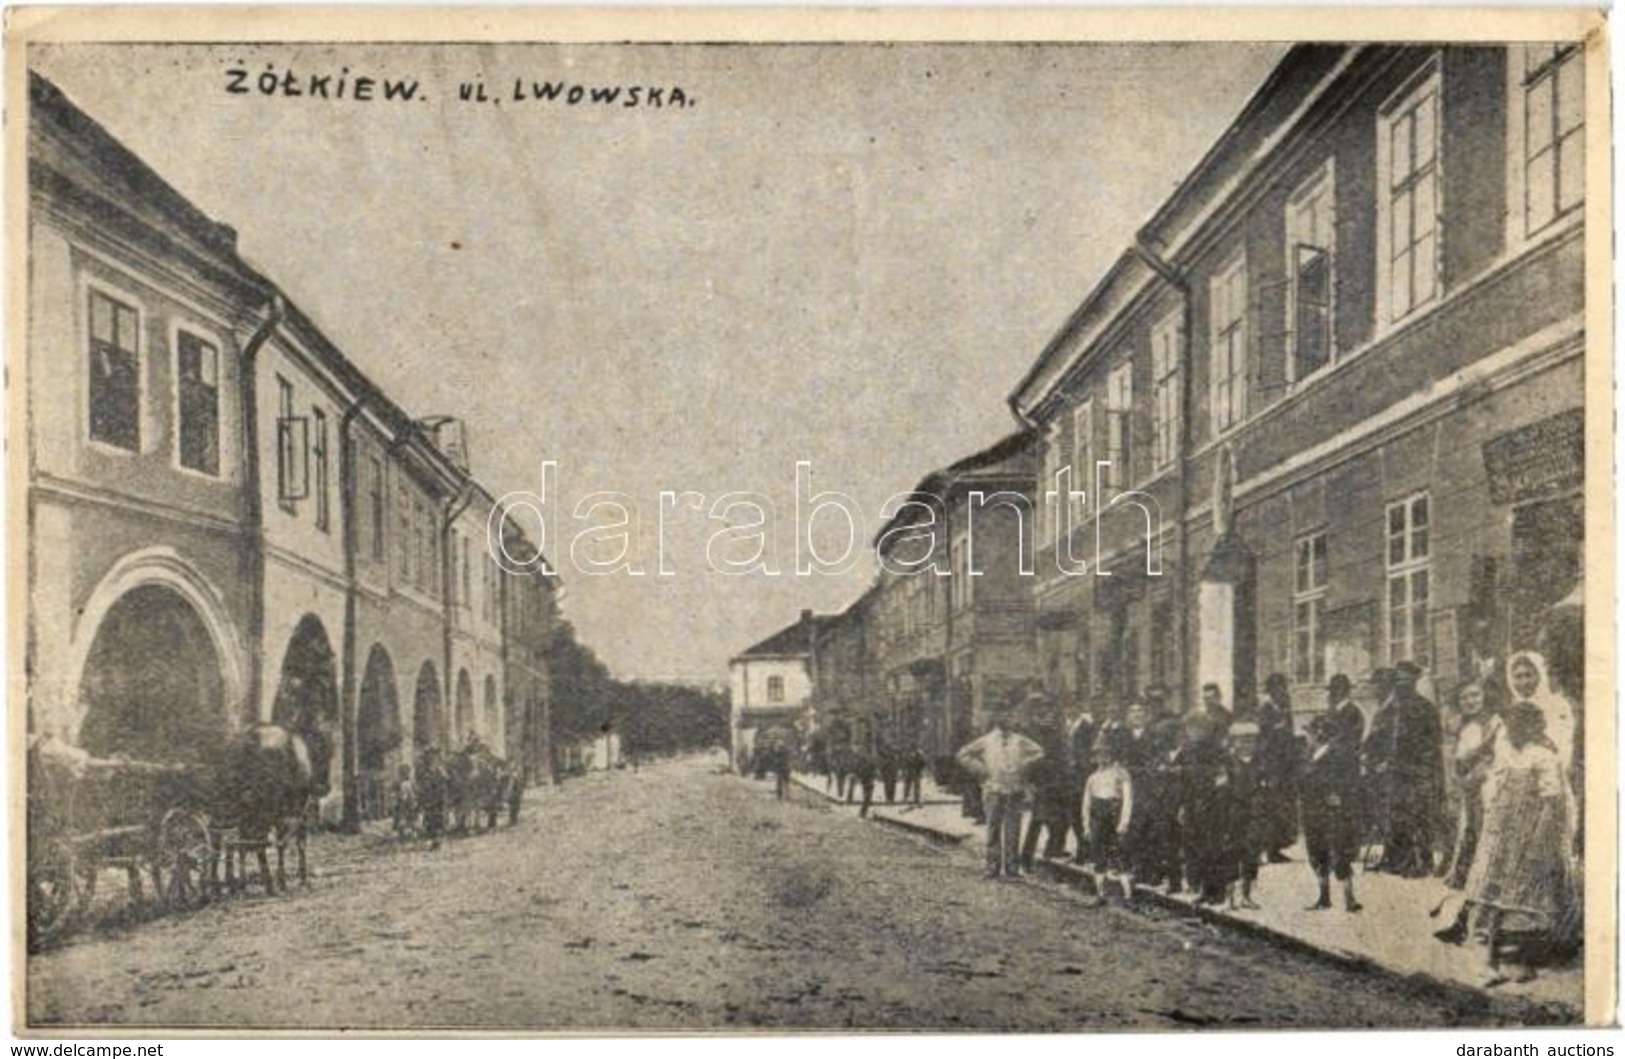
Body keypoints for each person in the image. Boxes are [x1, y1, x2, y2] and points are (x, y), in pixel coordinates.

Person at [1465, 700, 1575, 986]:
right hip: (1500, 832)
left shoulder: (1543, 756)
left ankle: (1525, 963)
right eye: (1509, 724)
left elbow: (1551, 803)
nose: (1512, 730)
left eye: (1518, 725)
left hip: (1528, 834)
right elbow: (1494, 785)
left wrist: (1539, 838)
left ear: (1532, 726)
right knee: (1492, 897)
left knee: (1525, 899)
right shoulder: (1504, 749)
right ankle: (1489, 962)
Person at [956, 699, 1044, 879]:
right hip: (993, 789)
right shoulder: (987, 740)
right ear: (997, 718)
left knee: (1013, 830)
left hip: (1014, 789)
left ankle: (1012, 868)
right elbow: (963, 754)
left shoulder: (1019, 740)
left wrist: (1024, 764)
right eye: (1003, 715)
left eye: (1010, 716)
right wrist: (980, 769)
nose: (1007, 719)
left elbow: (1039, 752)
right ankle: (992, 867)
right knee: (993, 829)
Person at [1301, 712, 1362, 912]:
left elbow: (1347, 782)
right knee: (1317, 853)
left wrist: (1338, 797)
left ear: (1319, 734)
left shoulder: (1336, 755)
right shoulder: (1310, 755)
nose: (1307, 738)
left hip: (1331, 813)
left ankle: (1349, 900)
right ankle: (1324, 897)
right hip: (1312, 812)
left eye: (1309, 733)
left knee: (1339, 853)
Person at [1178, 710, 1233, 905]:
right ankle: (1205, 889)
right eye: (1189, 729)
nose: (1191, 732)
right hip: (1194, 803)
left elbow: (1223, 779)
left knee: (1214, 848)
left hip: (1213, 805)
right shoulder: (1188, 750)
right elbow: (1184, 780)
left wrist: (1214, 798)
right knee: (1198, 848)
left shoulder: (1216, 751)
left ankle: (1217, 892)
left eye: (1194, 728)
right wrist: (1184, 806)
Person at [1020, 691, 1074, 869]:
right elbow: (1026, 759)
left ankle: (1052, 848)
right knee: (1039, 819)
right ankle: (1026, 857)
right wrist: (1028, 783)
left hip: (1057, 779)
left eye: (1049, 709)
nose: (1048, 713)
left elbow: (1060, 754)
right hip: (1040, 780)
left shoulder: (1054, 731)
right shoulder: (1029, 732)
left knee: (1057, 817)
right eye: (1043, 709)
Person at [1082, 727, 1136, 903]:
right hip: (1098, 815)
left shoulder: (1121, 773)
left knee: (1119, 853)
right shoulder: (1092, 777)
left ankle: (1128, 896)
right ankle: (1100, 893)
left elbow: (1127, 799)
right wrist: (1086, 824)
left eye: (1106, 753)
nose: (1102, 757)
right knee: (1099, 854)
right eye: (1099, 754)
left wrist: (1123, 823)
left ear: (1113, 754)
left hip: (1114, 812)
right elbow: (1087, 802)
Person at [1256, 673, 1300, 863]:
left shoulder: (1284, 708)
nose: (1284, 691)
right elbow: (1262, 738)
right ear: (1273, 690)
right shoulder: (1266, 709)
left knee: (1284, 805)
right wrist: (1277, 730)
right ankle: (1271, 849)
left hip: (1285, 765)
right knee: (1273, 805)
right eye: (1281, 688)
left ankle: (1279, 846)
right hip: (1272, 764)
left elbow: (1289, 734)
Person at [1224, 721, 1268, 910]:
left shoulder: (1261, 764)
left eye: (1250, 740)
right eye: (1241, 740)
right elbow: (1221, 791)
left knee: (1251, 855)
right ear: (1233, 742)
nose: (1246, 744)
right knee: (1231, 854)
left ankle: (1247, 895)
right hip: (1232, 814)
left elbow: (1267, 788)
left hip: (1255, 815)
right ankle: (1229, 897)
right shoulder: (1226, 763)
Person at [416, 746, 448, 851]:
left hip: (438, 797)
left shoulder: (439, 769)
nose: (431, 758)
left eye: (433, 756)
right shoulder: (423, 769)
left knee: (438, 818)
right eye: (429, 756)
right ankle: (432, 839)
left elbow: (446, 780)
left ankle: (437, 840)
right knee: (429, 818)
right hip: (428, 797)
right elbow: (420, 782)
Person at [391, 762, 419, 840]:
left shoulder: (412, 782)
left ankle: (413, 832)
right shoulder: (397, 783)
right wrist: (396, 797)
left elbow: (416, 792)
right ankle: (401, 834)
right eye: (402, 773)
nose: (404, 774)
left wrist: (415, 798)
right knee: (400, 818)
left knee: (412, 818)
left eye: (406, 772)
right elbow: (393, 793)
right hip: (401, 803)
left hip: (410, 803)